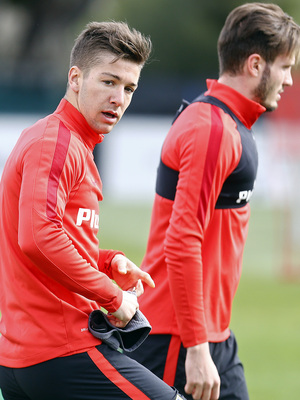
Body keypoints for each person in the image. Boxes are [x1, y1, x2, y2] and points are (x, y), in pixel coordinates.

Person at [0, 21, 186, 400]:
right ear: (75, 78)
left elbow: (43, 236)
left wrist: (107, 261)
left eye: (129, 87)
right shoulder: (57, 142)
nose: (119, 98)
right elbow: (38, 237)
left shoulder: (57, 141)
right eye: (109, 82)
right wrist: (114, 299)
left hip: (24, 359)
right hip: (61, 352)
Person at [127, 3, 300, 400]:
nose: (290, 79)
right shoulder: (211, 129)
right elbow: (182, 240)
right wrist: (197, 348)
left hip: (212, 334)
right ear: (256, 65)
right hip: (180, 339)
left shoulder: (229, 124)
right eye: (285, 66)